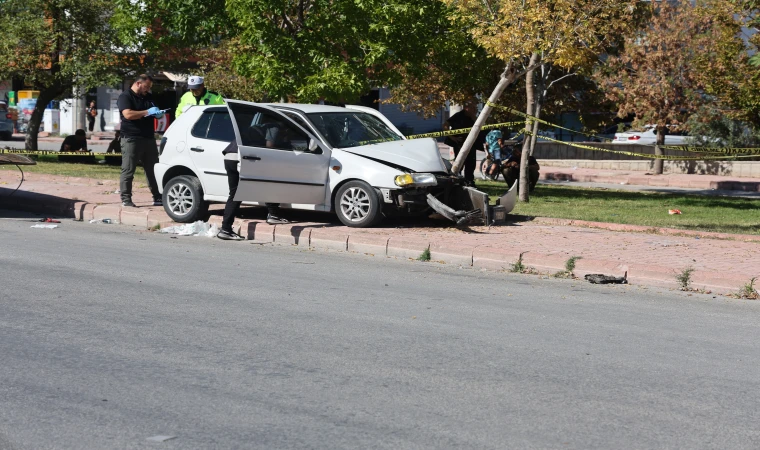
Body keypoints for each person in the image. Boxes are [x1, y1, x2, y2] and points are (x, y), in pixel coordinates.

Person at [117, 74, 163, 208]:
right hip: (131, 138)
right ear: (138, 83)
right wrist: (146, 112)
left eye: (149, 87)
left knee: (153, 169)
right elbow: (128, 114)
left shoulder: (148, 97)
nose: (148, 89)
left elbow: (155, 110)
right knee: (128, 169)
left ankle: (157, 196)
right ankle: (126, 198)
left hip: (148, 138)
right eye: (146, 86)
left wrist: (157, 113)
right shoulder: (125, 96)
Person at [443, 102, 481, 185]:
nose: (475, 110)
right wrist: (452, 137)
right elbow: (445, 125)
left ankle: (469, 181)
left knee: (471, 163)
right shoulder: (458, 115)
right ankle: (456, 180)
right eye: (473, 108)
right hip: (459, 143)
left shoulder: (474, 117)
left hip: (471, 143)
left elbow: (481, 126)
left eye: (476, 108)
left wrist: (473, 116)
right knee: (459, 162)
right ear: (466, 108)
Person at [217, 140, 245, 240]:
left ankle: (225, 229)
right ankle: (225, 229)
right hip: (238, 158)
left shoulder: (250, 127)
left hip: (229, 156)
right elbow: (269, 145)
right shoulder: (271, 129)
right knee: (236, 194)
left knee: (234, 194)